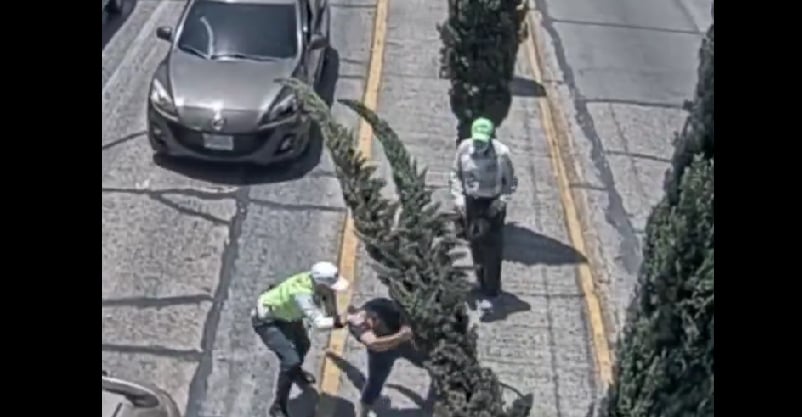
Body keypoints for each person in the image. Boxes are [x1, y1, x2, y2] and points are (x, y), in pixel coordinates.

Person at [252, 261, 350, 417]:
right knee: (291, 360)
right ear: (321, 284)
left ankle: (295, 373)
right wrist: (341, 321)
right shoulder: (303, 295)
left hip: (288, 315)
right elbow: (318, 323)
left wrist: (333, 310)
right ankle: (277, 407)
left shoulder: (315, 282)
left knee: (303, 345)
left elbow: (330, 304)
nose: (334, 289)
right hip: (267, 321)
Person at [449, 117, 518, 314]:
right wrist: (458, 198)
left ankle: (492, 291)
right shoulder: (464, 149)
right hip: (472, 203)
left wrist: (501, 201)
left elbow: (511, 181)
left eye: (483, 140)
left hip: (492, 203)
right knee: (475, 242)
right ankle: (481, 282)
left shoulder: (502, 154)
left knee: (492, 248)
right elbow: (455, 174)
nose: (479, 144)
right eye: (477, 139)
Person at [346, 297, 423, 417]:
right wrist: (401, 336)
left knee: (427, 361)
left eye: (371, 320)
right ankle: (363, 412)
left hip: (405, 345)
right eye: (365, 326)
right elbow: (374, 344)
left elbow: (403, 310)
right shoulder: (357, 325)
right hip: (382, 353)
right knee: (375, 382)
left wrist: (406, 327)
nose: (369, 325)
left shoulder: (380, 305)